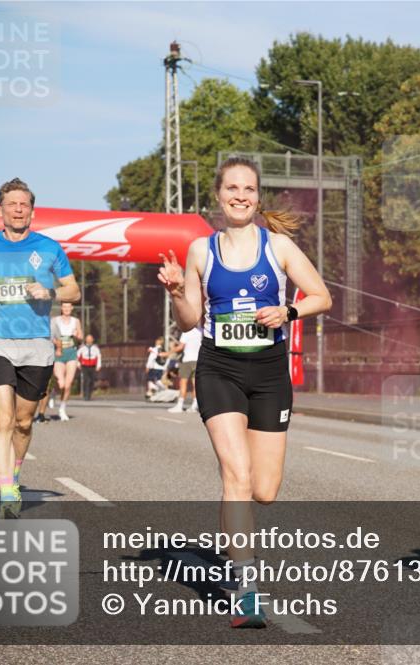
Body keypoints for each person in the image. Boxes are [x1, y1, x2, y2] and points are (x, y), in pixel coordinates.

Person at [158, 156, 331, 628]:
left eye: (249, 189)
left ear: (258, 197)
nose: (240, 195)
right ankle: (246, 587)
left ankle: (234, 541)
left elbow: (321, 296)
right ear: (218, 195)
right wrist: (177, 290)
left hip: (271, 373)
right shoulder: (199, 250)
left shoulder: (279, 247)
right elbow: (190, 320)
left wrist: (288, 313)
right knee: (235, 474)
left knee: (264, 489)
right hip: (220, 370)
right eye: (232, 187)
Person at [0, 177, 79, 516]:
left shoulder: (49, 247)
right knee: (3, 419)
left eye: (24, 204)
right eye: (12, 204)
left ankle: (15, 471)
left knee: (23, 422)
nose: (18, 209)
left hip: (36, 343)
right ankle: (7, 492)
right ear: (0, 210)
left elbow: (73, 290)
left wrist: (50, 292)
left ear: (32, 212)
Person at [49, 301, 83, 420]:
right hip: (59, 352)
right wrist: (57, 344)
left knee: (68, 385)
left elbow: (81, 336)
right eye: (64, 306)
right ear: (61, 308)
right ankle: (53, 393)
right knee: (61, 383)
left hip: (71, 352)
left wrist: (77, 335)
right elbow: (51, 336)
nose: (66, 308)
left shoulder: (76, 321)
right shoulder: (55, 320)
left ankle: (62, 408)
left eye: (69, 306)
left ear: (72, 308)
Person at [168, 325, 202, 413]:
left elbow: (180, 347)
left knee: (183, 383)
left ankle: (180, 405)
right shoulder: (201, 331)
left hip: (187, 360)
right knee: (196, 385)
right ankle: (194, 405)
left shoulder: (186, 332)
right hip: (198, 360)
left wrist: (167, 352)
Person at [76, 333, 102, 401]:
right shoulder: (82, 348)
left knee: (92, 381)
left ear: (93, 340)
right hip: (84, 366)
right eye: (88, 339)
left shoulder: (95, 348)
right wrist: (78, 364)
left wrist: (98, 365)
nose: (89, 340)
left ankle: (90, 393)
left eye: (90, 339)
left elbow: (98, 356)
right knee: (86, 380)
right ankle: (86, 395)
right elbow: (77, 356)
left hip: (93, 366)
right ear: (86, 340)